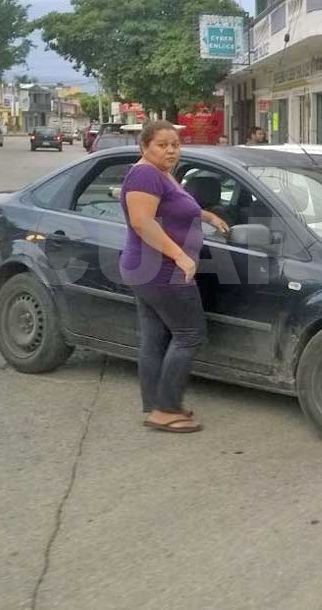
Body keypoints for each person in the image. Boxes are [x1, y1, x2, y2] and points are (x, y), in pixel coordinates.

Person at [120, 120, 230, 433]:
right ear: (144, 147)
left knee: (155, 338)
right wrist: (180, 255)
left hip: (150, 269)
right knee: (190, 335)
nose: (170, 150)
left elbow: (173, 209)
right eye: (162, 145)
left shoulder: (159, 173)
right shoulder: (144, 174)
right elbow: (142, 222)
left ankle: (158, 406)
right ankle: (167, 408)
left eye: (175, 145)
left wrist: (206, 215)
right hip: (161, 270)